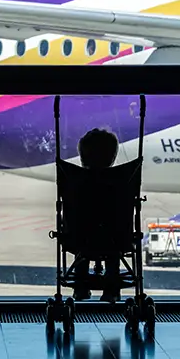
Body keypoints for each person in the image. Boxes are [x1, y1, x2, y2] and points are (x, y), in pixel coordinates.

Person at [74, 128, 120, 302]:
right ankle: (112, 289)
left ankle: (81, 287)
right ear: (112, 157)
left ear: (82, 157)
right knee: (113, 249)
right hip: (115, 238)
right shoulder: (120, 182)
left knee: (82, 248)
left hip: (80, 237)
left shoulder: (76, 182)